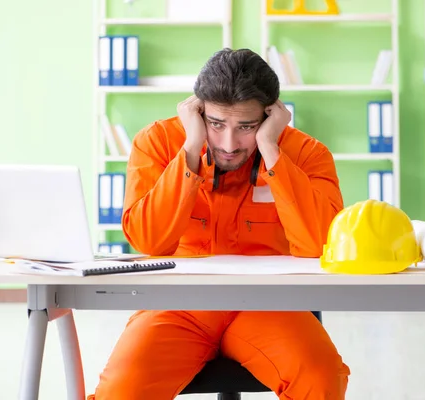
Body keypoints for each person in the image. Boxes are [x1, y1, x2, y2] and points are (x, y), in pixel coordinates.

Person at [88, 48, 350, 400]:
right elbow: (149, 241)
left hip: (267, 306)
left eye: (246, 126)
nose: (229, 144)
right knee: (121, 390)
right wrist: (192, 149)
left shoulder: (306, 153)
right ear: (197, 111)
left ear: (271, 115)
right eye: (216, 124)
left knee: (322, 378)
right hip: (179, 305)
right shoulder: (158, 142)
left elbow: (320, 244)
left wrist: (270, 150)